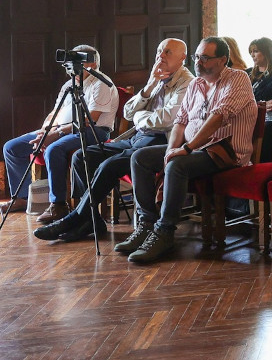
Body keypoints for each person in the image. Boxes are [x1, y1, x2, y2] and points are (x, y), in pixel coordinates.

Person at [36, 40, 192, 242]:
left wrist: (139, 117)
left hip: (159, 142)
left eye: (168, 52)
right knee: (82, 156)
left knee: (110, 165)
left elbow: (164, 120)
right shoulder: (157, 77)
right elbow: (128, 112)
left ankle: (76, 218)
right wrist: (150, 86)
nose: (161, 56)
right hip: (138, 137)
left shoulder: (187, 82)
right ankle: (92, 220)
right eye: (159, 51)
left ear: (182, 58)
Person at [119, 37, 256, 263]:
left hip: (225, 153)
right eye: (196, 57)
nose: (198, 62)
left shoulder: (237, 79)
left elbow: (219, 116)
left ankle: (165, 232)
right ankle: (146, 225)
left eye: (205, 58)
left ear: (223, 60)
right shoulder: (196, 84)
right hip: (194, 150)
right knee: (140, 157)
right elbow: (180, 122)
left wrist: (186, 148)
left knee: (178, 163)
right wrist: (171, 149)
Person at [2, 44, 118, 220]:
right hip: (60, 129)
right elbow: (53, 114)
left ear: (91, 64)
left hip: (93, 132)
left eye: (75, 61)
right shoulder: (68, 85)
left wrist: (54, 135)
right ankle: (22, 198)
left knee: (53, 149)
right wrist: (44, 132)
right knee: (12, 147)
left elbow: (89, 119)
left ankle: (58, 205)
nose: (69, 66)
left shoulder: (100, 83)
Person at [248, 37, 272, 102]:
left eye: (255, 51)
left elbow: (266, 98)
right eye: (251, 52)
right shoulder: (248, 72)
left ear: (267, 52)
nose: (252, 55)